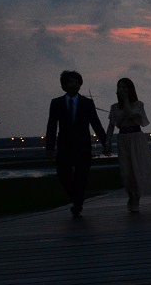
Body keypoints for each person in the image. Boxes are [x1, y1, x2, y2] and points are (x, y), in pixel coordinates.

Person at [45, 70, 108, 218]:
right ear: (64, 85)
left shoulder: (87, 103)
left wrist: (105, 142)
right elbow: (52, 126)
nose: (74, 84)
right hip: (64, 147)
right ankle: (77, 199)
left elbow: (96, 124)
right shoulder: (56, 103)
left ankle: (77, 204)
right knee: (63, 176)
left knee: (81, 177)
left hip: (83, 146)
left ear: (80, 84)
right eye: (70, 82)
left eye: (76, 82)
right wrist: (49, 147)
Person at [104, 77, 151, 213]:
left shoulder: (138, 104)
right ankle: (130, 194)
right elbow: (111, 126)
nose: (121, 90)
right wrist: (107, 141)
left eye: (124, 87)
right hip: (123, 139)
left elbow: (131, 115)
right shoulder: (114, 107)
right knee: (126, 171)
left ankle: (136, 198)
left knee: (137, 169)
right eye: (119, 87)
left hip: (136, 138)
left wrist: (126, 100)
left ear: (130, 90)